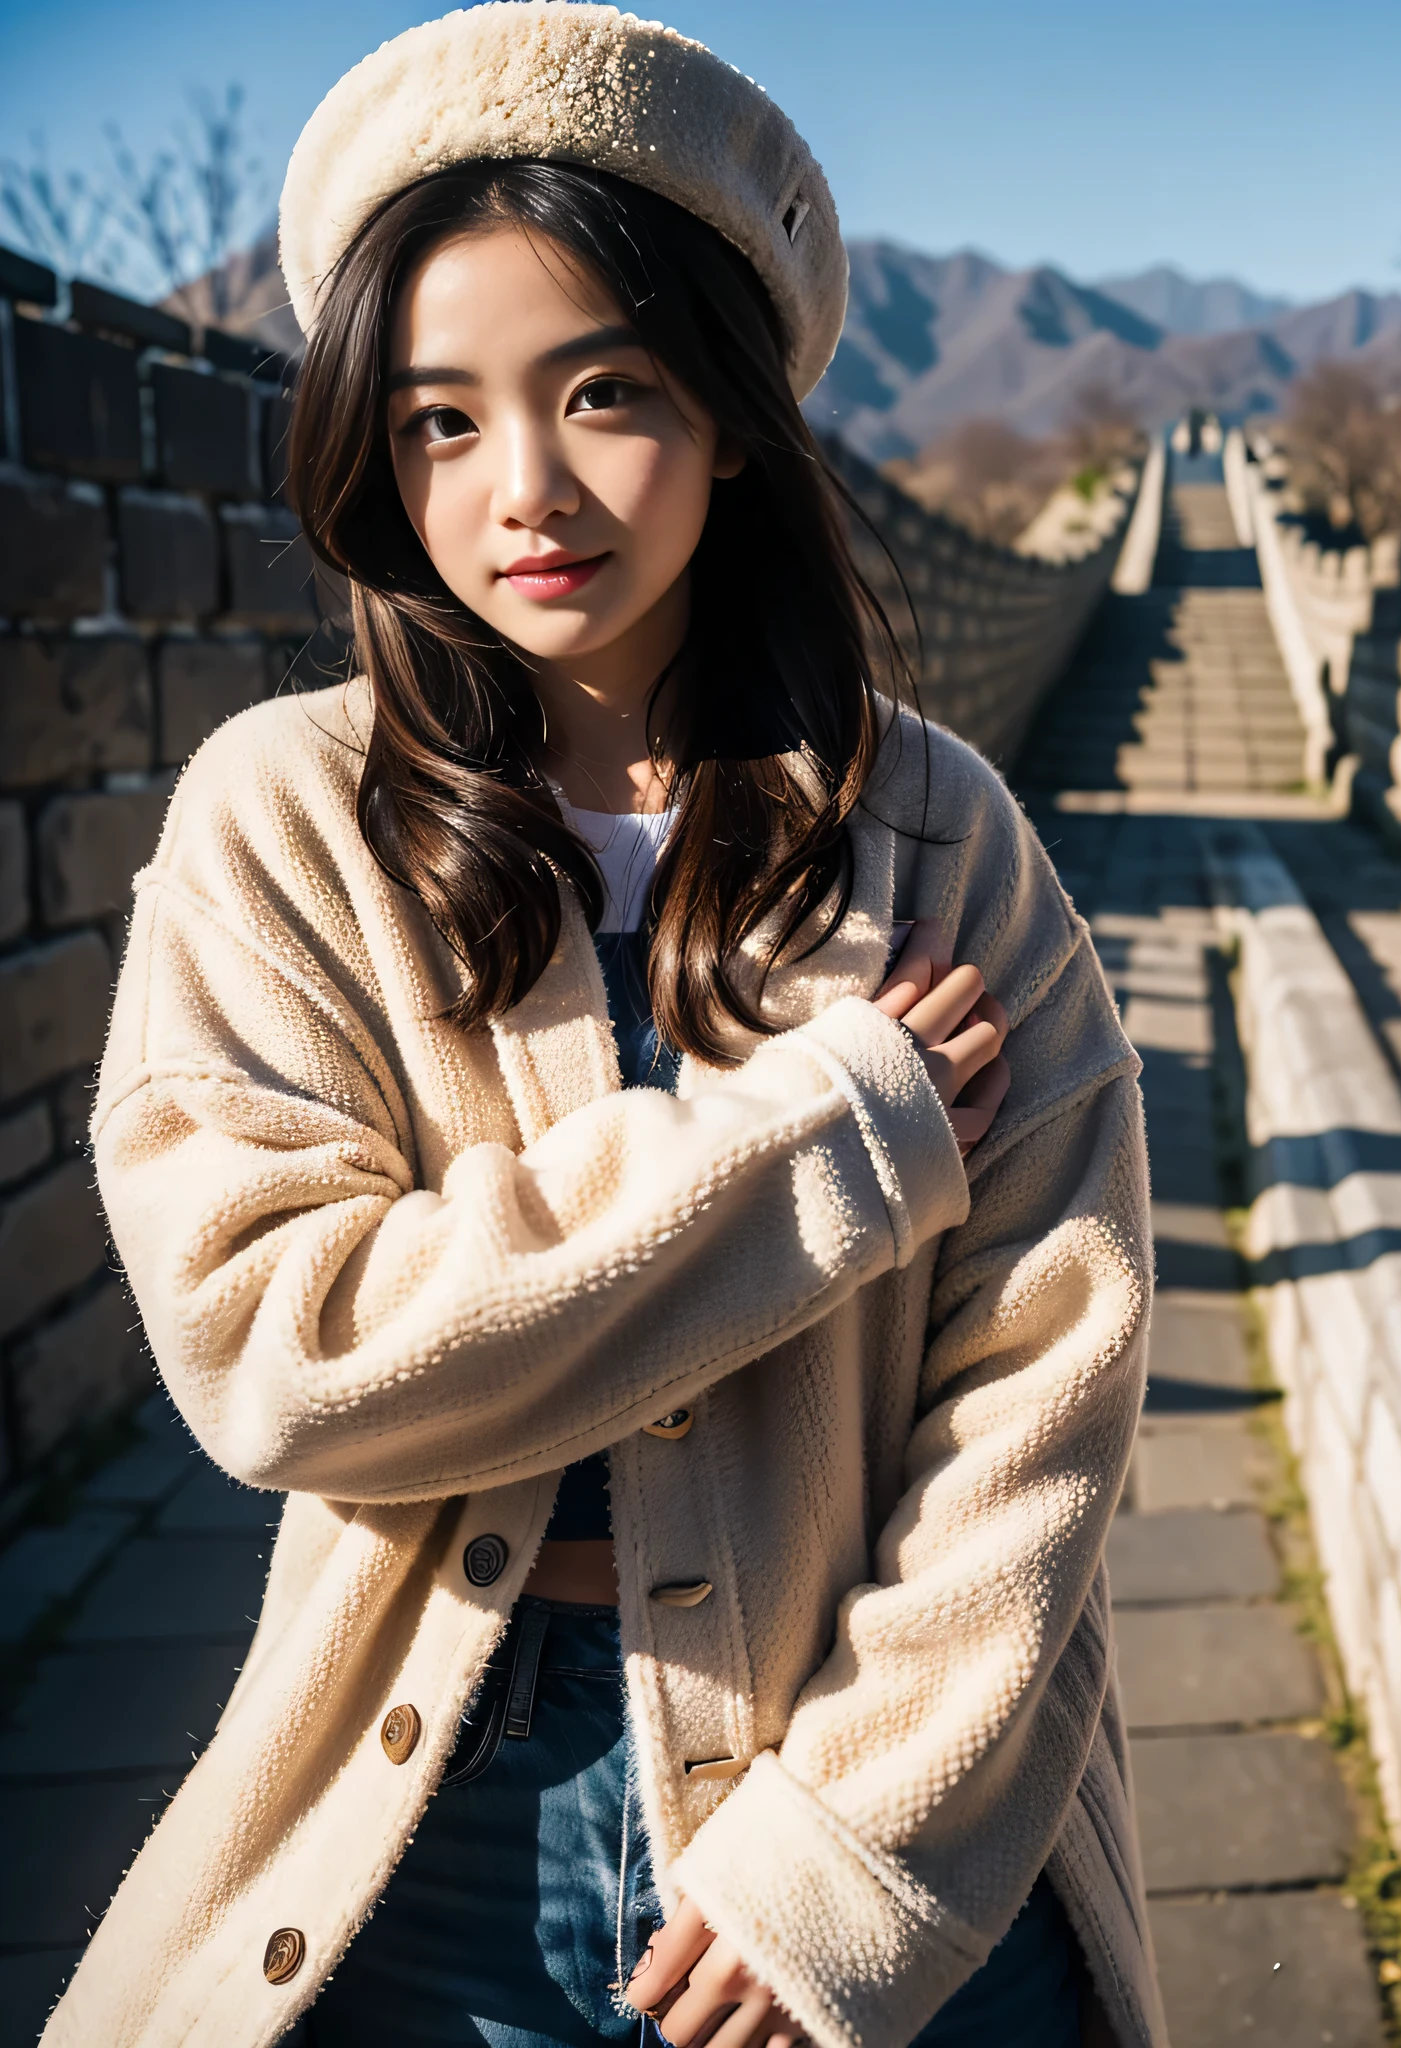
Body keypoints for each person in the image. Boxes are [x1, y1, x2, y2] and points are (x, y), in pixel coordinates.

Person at [44, 9, 1162, 2048]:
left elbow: (1044, 1388)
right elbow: (278, 1352)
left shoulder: (930, 830)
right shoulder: (288, 821)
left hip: (885, 1775)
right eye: (438, 421)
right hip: (437, 1809)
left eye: (607, 390)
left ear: (732, 415)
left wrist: (846, 1841)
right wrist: (825, 1136)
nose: (525, 489)